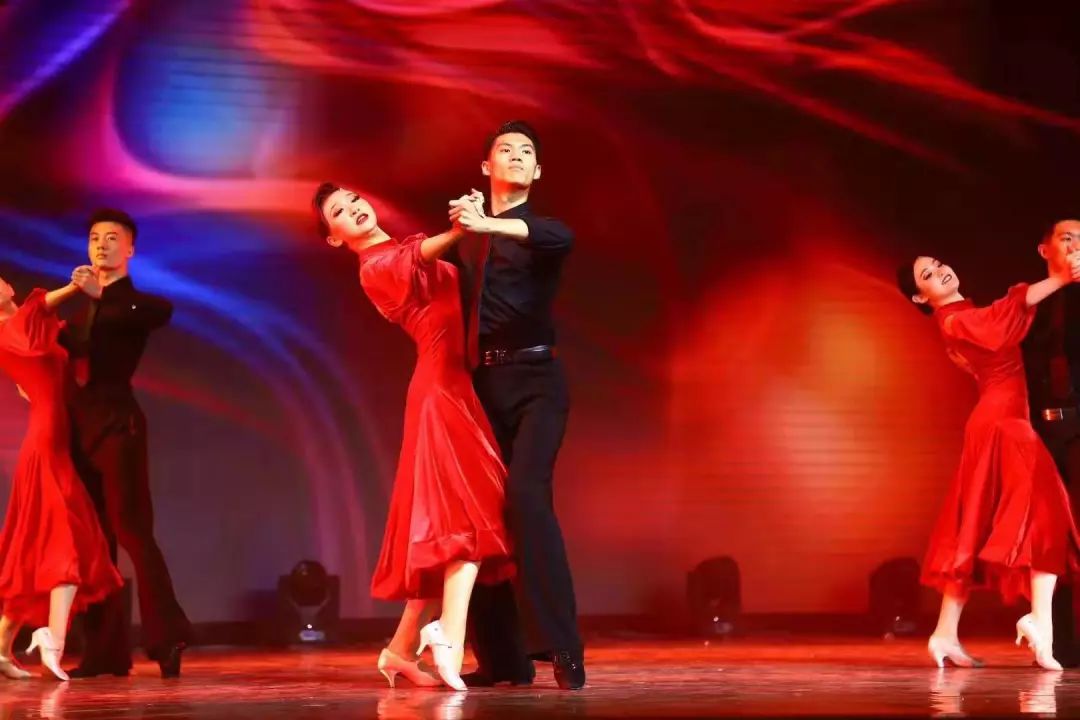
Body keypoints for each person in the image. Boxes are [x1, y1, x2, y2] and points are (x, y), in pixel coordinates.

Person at [313, 183, 513, 690]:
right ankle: (449, 633)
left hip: (455, 388)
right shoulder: (376, 267)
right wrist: (459, 229)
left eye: (354, 200)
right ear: (335, 237)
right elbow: (419, 257)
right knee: (470, 517)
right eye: (339, 212)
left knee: (452, 522)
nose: (354, 209)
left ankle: (400, 650)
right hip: (439, 393)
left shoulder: (401, 250)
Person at [448, 120, 585, 690]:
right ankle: (503, 658)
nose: (517, 156)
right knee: (479, 517)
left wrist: (491, 222)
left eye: (527, 151)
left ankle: (563, 647)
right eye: (506, 149)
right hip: (483, 385)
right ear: (487, 166)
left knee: (528, 498)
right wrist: (466, 228)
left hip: (537, 382)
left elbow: (559, 237)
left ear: (538, 170)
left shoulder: (537, 230)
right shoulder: (467, 235)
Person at [897, 255, 1080, 670]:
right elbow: (1010, 310)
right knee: (1048, 517)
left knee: (974, 525)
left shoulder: (964, 316)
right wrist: (1059, 278)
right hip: (1004, 426)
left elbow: (1005, 318)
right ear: (920, 296)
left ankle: (945, 633)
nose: (941, 272)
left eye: (938, 264)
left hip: (998, 422)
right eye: (928, 275)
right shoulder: (956, 320)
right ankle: (1041, 624)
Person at [59, 209, 191, 678]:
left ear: (130, 249)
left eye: (112, 238)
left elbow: (160, 312)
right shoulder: (83, 309)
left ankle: (167, 636)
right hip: (82, 431)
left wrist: (104, 296)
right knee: (95, 543)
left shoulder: (131, 303)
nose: (102, 244)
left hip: (120, 425)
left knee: (132, 530)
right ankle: (105, 651)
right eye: (95, 237)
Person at [0, 275, 122, 681]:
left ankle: (1, 646)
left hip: (53, 435)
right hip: (45, 439)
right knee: (64, 538)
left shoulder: (24, 329)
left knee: (38, 541)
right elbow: (40, 307)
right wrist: (75, 287)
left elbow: (51, 342)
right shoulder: (10, 329)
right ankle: (53, 639)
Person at [1022, 218, 1080, 666]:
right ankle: (1060, 644)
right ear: (1046, 250)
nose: (1077, 247)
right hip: (1041, 430)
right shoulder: (1029, 302)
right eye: (1068, 238)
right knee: (1050, 536)